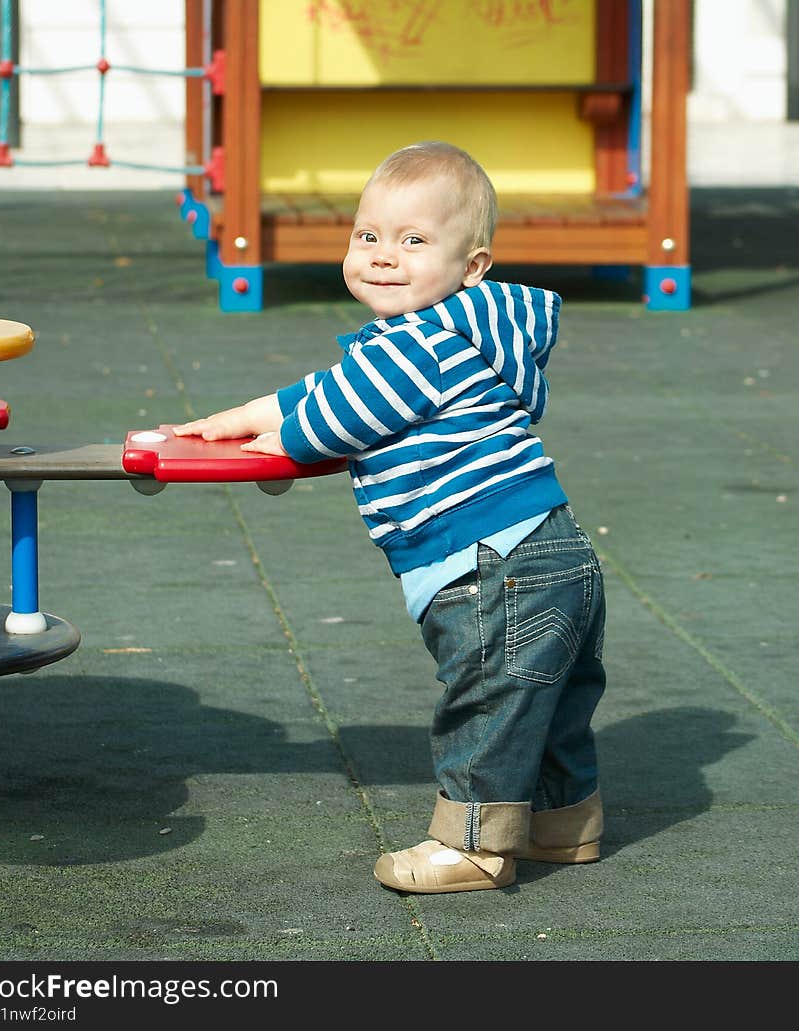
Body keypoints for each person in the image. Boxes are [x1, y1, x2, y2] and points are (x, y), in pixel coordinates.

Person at [173, 141, 606, 894]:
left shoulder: (419, 343)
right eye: (367, 236)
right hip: (550, 547)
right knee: (550, 699)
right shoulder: (460, 332)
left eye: (413, 241)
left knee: (488, 697)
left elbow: (338, 413)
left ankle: (473, 846)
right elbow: (337, 383)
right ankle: (563, 823)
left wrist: (281, 441)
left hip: (486, 562)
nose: (382, 256)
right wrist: (244, 415)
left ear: (472, 266)